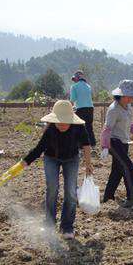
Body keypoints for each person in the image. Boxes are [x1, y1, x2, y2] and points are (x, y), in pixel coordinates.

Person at [21, 100, 93, 239]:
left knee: (71, 192)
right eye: (58, 122)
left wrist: (88, 163)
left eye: (64, 122)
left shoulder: (79, 127)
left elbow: (86, 145)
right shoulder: (51, 129)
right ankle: (49, 223)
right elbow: (39, 148)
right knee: (52, 188)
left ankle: (67, 226)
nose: (61, 125)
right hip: (51, 158)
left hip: (71, 159)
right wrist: (25, 162)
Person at [100, 80, 133, 207]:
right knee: (128, 167)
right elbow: (107, 129)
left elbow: (130, 124)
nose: (131, 98)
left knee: (117, 170)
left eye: (132, 96)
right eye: (129, 96)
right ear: (121, 95)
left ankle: (108, 197)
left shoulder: (128, 107)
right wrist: (105, 147)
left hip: (124, 142)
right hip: (113, 142)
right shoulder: (113, 109)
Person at [70, 70, 96, 149]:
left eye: (75, 80)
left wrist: (69, 108)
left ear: (77, 79)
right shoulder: (88, 86)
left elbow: (72, 100)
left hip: (80, 109)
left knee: (79, 127)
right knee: (89, 127)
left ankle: (80, 146)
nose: (74, 81)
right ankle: (93, 145)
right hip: (90, 108)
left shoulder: (74, 87)